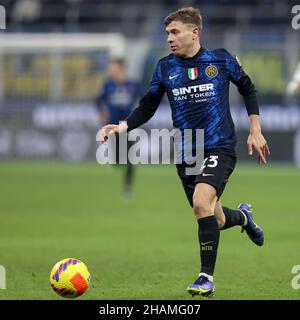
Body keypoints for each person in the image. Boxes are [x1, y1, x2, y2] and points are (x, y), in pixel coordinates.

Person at [99, 7, 270, 297]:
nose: (169, 38)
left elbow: (248, 88)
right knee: (212, 217)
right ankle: (244, 218)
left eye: (175, 32)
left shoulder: (221, 59)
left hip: (220, 146)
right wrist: (124, 126)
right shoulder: (165, 67)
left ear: (195, 32)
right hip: (186, 152)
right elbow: (148, 104)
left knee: (202, 201)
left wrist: (255, 128)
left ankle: (206, 278)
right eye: (167, 33)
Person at [96, 58, 140, 198]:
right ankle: (116, 162)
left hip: (128, 126)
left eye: (112, 67)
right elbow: (98, 100)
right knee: (117, 162)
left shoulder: (132, 84)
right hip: (113, 127)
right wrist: (102, 112)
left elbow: (143, 99)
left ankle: (127, 188)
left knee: (131, 159)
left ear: (120, 68)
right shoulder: (108, 85)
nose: (110, 70)